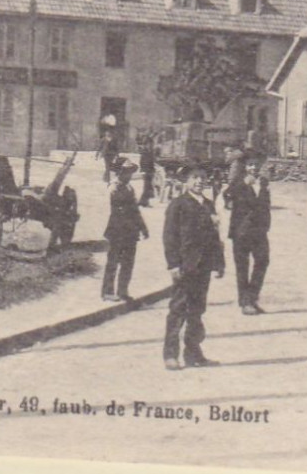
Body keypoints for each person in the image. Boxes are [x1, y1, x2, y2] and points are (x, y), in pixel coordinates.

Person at [162, 168, 225, 370]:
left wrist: (219, 263)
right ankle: (170, 355)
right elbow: (169, 237)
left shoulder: (208, 205)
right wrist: (173, 264)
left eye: (203, 178)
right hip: (185, 265)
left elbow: (215, 237)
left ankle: (193, 353)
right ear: (187, 181)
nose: (199, 181)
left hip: (203, 266)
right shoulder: (178, 204)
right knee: (178, 309)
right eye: (195, 178)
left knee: (197, 310)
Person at [227, 156, 272, 315]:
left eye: (256, 165)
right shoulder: (238, 182)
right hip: (241, 232)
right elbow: (227, 195)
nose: (253, 168)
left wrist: (266, 225)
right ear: (245, 167)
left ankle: (252, 298)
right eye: (250, 165)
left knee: (263, 261)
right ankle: (245, 302)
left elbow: (266, 206)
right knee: (242, 267)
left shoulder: (264, 183)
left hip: (259, 231)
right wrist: (243, 184)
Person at [103, 158, 150, 302]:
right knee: (113, 262)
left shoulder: (129, 188)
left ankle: (123, 291)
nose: (129, 175)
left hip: (130, 232)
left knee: (128, 263)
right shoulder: (114, 188)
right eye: (126, 172)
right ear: (119, 172)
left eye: (130, 172)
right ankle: (107, 291)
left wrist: (143, 228)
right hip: (117, 231)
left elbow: (135, 210)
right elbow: (118, 211)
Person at [137, 131, 158, 208]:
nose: (151, 145)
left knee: (148, 187)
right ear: (146, 144)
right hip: (146, 171)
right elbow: (142, 162)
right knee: (147, 187)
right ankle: (143, 202)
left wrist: (153, 170)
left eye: (151, 144)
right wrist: (143, 170)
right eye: (149, 144)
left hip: (150, 171)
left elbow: (152, 161)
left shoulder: (150, 152)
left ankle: (143, 202)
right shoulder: (145, 152)